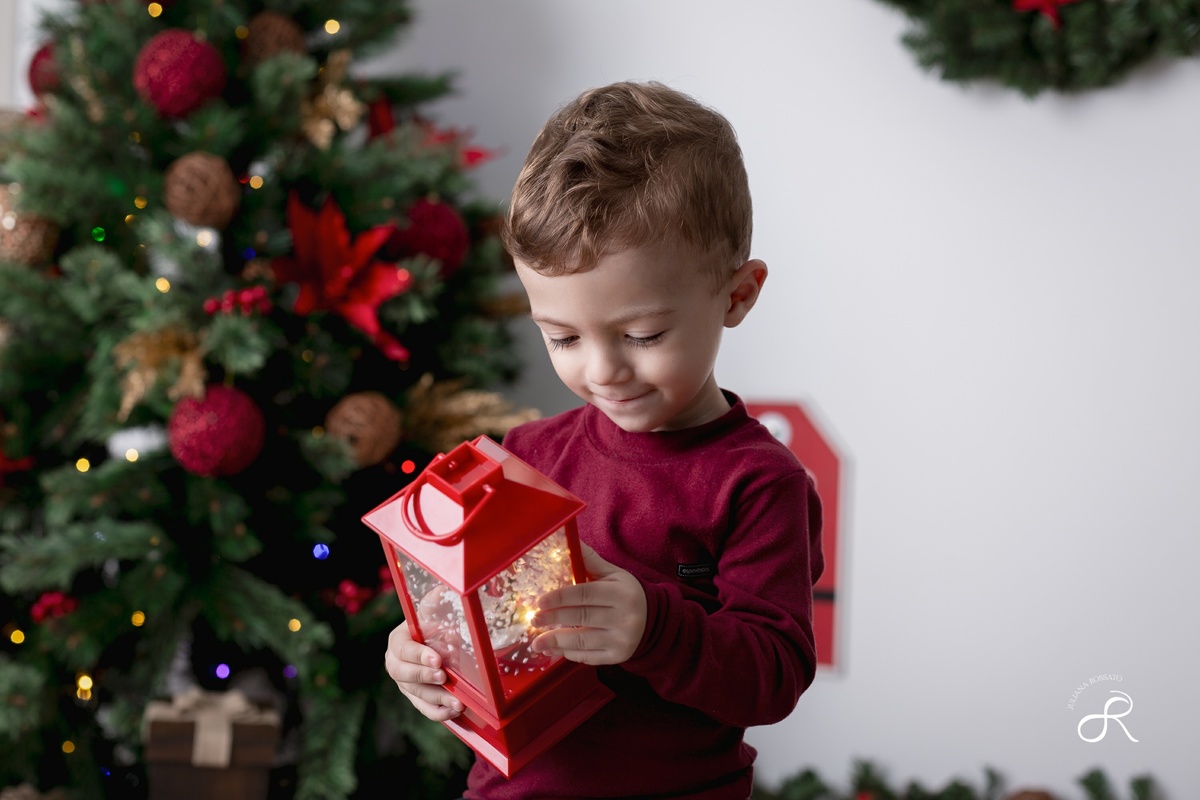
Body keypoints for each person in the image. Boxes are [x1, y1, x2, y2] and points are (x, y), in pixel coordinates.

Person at [384, 80, 824, 799]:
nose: (603, 370)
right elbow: (478, 628)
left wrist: (653, 627)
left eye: (642, 335)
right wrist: (424, 656)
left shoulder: (758, 483)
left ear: (737, 295)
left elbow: (772, 676)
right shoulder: (523, 457)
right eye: (562, 338)